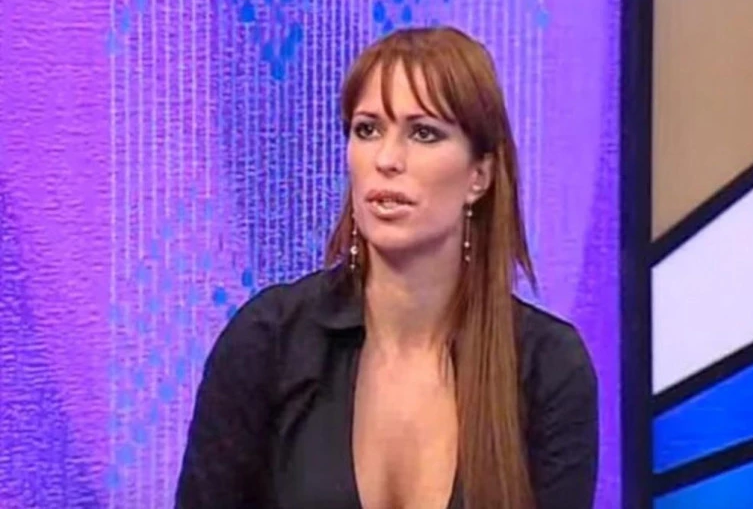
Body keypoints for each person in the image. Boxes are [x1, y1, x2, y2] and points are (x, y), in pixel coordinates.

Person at [175, 26, 598, 509]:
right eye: (367, 130)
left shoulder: (548, 367)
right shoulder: (268, 340)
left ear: (478, 177)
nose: (387, 159)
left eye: (423, 133)